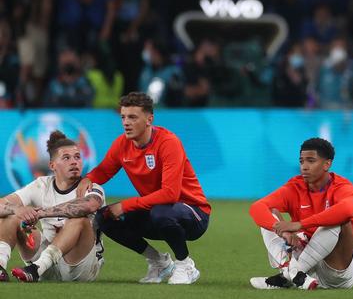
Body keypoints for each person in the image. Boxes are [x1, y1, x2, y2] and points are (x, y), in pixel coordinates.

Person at [76, 92, 211, 285]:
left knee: (160, 212)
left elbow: (170, 193)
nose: (126, 123)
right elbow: (104, 171)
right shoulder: (122, 144)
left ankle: (185, 265)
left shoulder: (168, 143)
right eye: (123, 117)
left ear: (149, 119)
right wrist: (87, 178)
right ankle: (159, 261)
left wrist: (126, 205)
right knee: (105, 218)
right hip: (157, 211)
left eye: (132, 117)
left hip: (194, 214)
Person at [248, 138, 353, 290]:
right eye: (302, 161)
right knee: (270, 212)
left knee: (339, 220)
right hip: (307, 263)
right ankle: (292, 271)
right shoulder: (295, 186)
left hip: (335, 272)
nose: (304, 167)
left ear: (327, 164)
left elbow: (348, 210)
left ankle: (289, 275)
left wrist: (300, 224)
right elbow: (257, 207)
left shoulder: (341, 186)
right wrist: (283, 231)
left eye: (311, 161)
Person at [0, 131, 105, 282]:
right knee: (10, 215)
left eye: (77, 157)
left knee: (78, 219)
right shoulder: (41, 185)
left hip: (79, 267)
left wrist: (40, 213)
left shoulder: (91, 186)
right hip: (47, 261)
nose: (74, 162)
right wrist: (18, 210)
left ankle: (36, 269)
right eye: (66, 158)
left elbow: (90, 205)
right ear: (52, 165)